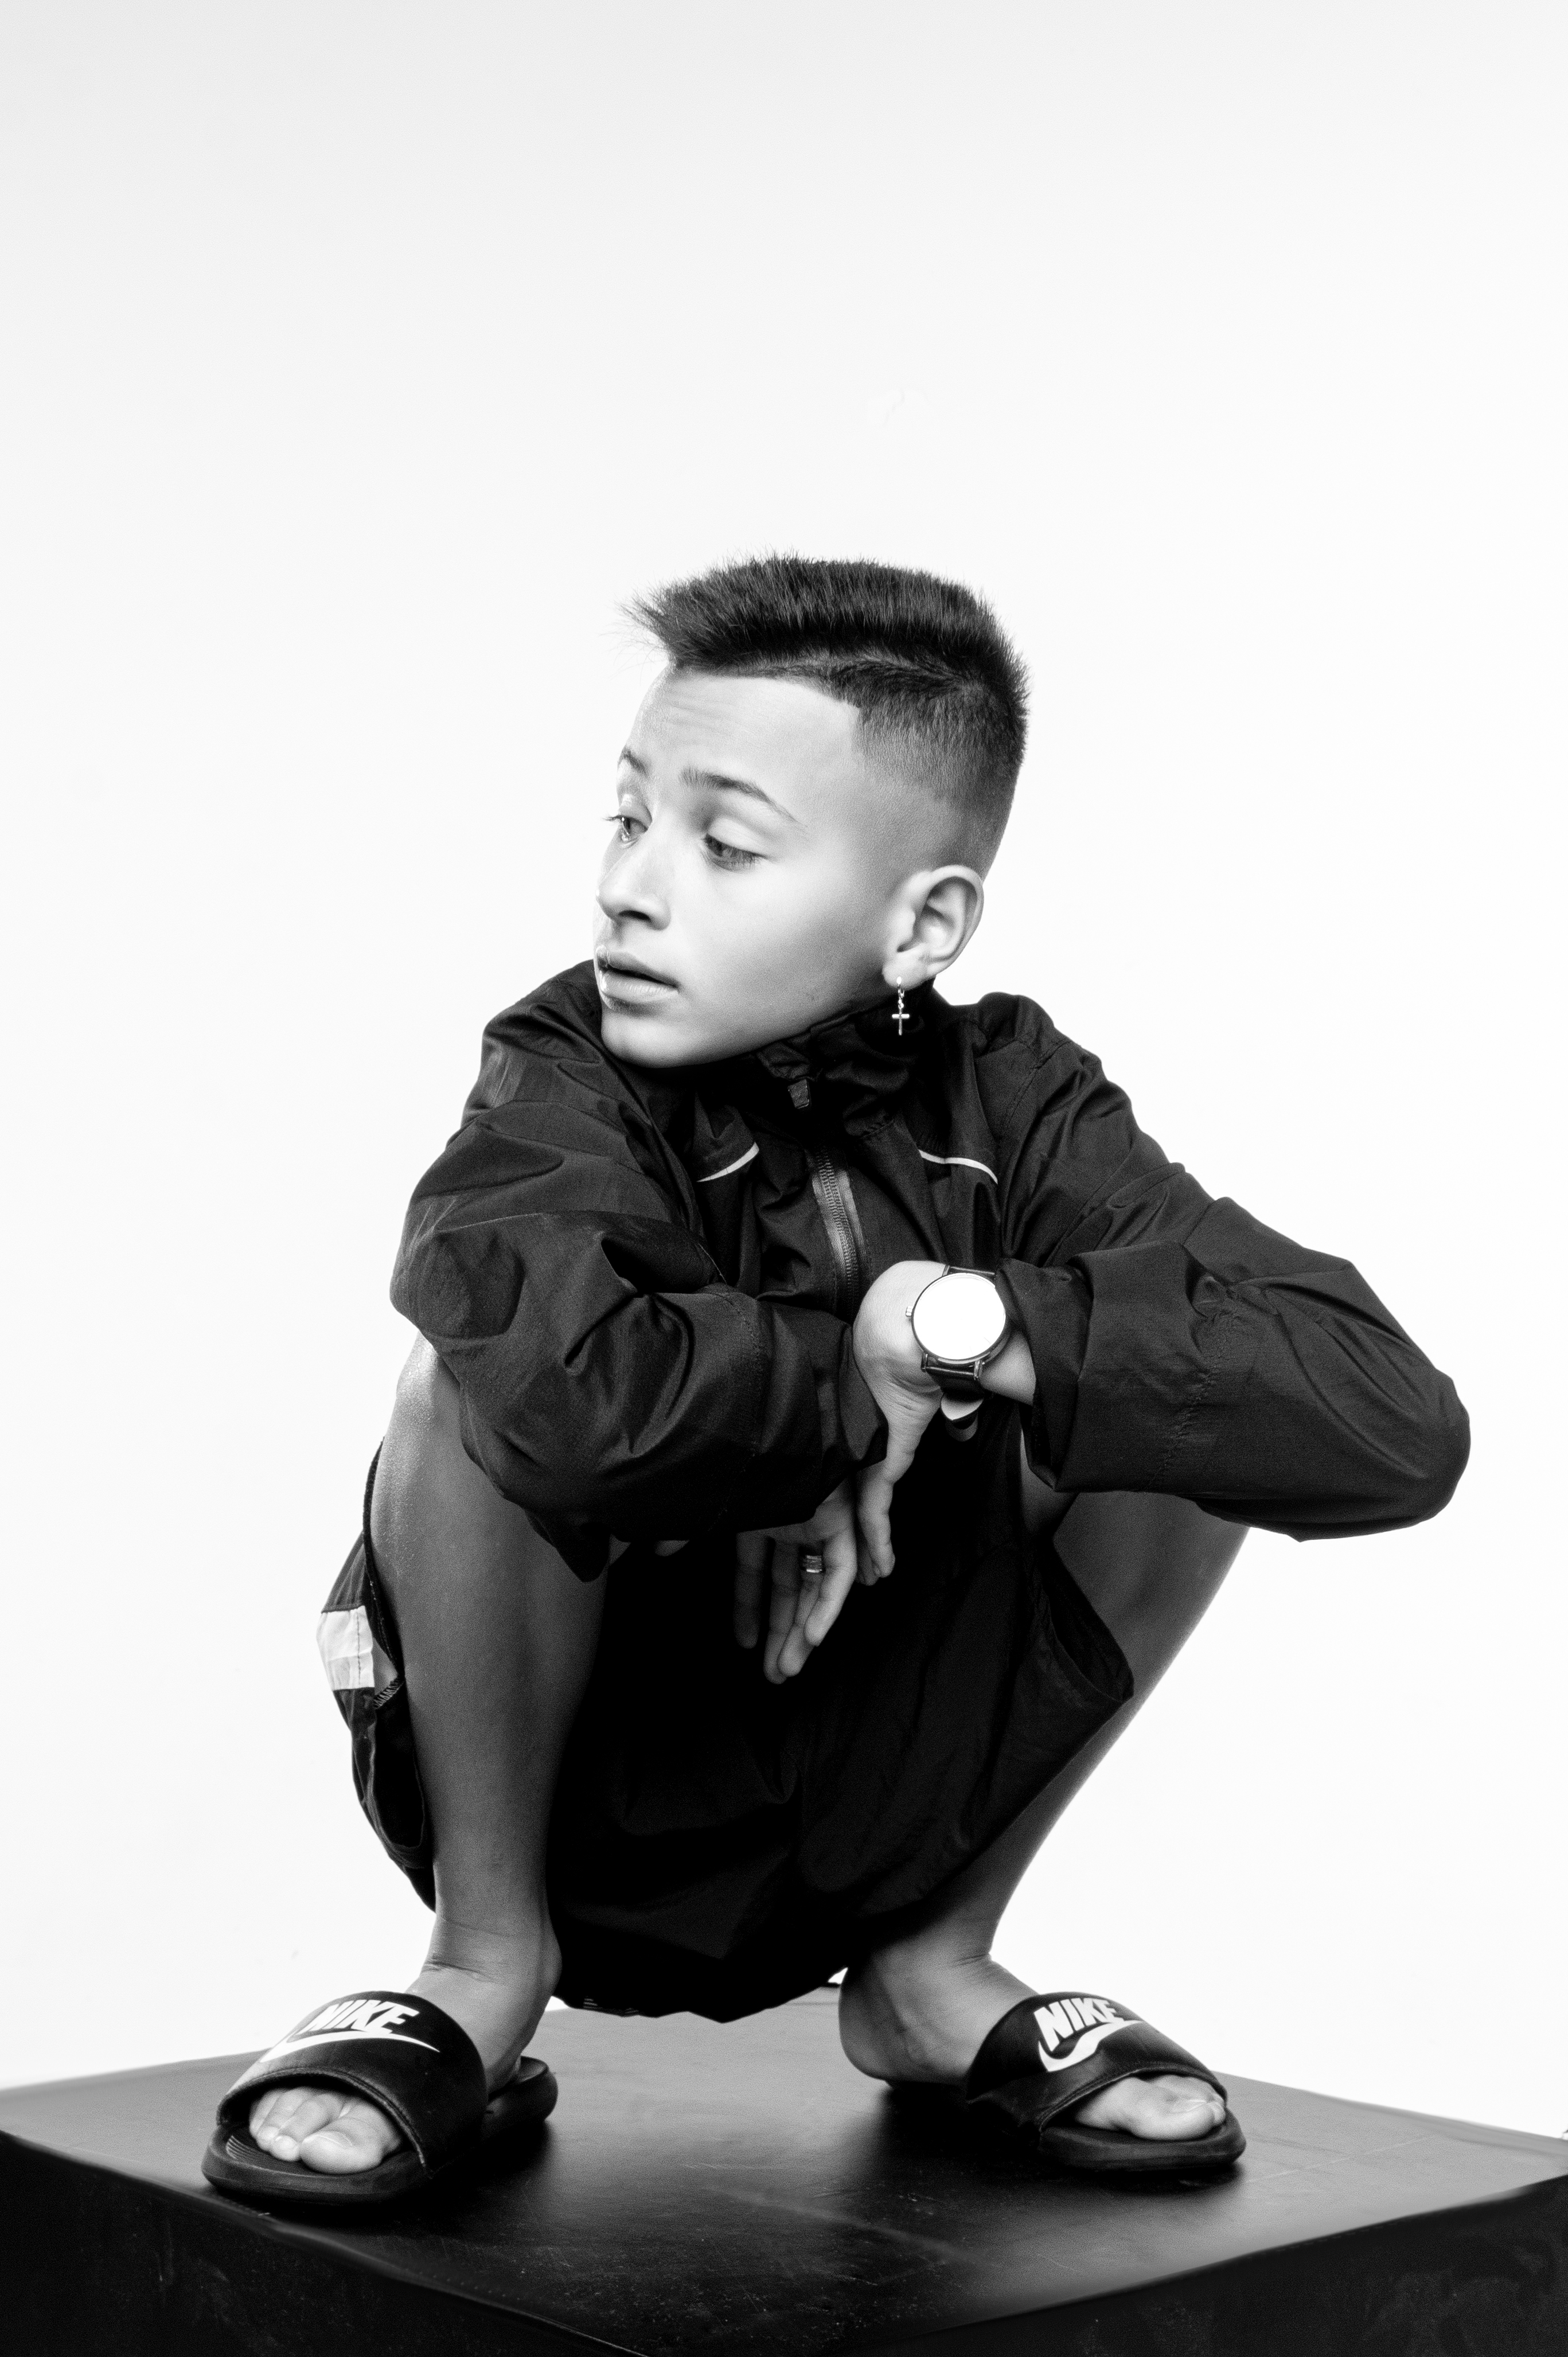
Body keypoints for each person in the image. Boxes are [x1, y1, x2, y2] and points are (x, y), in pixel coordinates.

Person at [204, 556, 1469, 2206]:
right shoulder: (562, 1070)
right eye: (627, 819)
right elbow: (572, 1400)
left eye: (723, 846)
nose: (631, 890)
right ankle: (479, 1972)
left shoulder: (1019, 1098)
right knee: (461, 1384)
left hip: (890, 1784)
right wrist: (831, 1403)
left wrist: (947, 1324)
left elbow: (1389, 1421)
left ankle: (933, 1971)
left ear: (923, 924)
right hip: (601, 1802)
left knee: (1174, 1402)